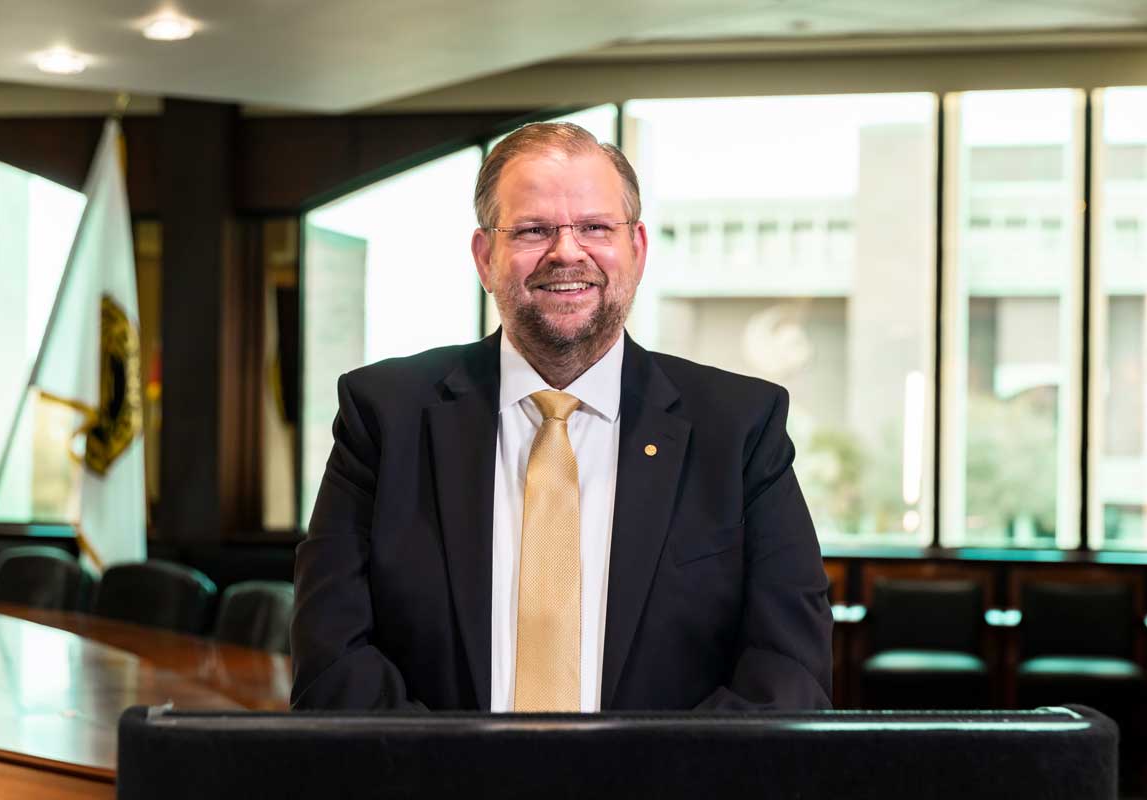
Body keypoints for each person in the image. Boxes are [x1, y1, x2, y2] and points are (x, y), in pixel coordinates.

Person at [291, 122, 832, 712]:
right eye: (532, 230)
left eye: (596, 227)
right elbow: (332, 658)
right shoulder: (383, 417)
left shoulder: (741, 428)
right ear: (484, 256)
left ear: (638, 249)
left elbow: (788, 672)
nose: (566, 251)